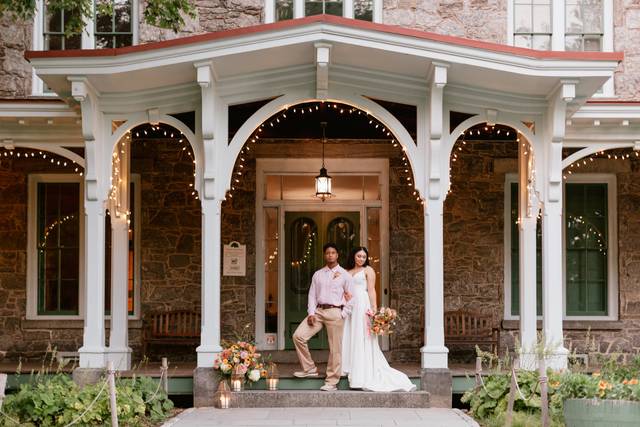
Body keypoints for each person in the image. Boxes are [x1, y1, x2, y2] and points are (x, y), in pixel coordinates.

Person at [341, 246, 416, 392]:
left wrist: (374, 308)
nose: (361, 259)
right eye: (358, 256)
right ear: (353, 256)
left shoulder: (368, 270)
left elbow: (371, 289)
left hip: (362, 303)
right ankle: (349, 366)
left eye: (363, 256)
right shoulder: (347, 271)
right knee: (350, 333)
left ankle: (362, 371)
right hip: (350, 305)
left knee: (362, 334)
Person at [292, 243, 354, 391]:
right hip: (319, 312)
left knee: (335, 349)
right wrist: (311, 313)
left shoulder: (345, 274)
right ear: (324, 255)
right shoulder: (318, 274)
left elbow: (352, 298)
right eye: (327, 253)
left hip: (335, 312)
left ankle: (332, 382)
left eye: (333, 252)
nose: (330, 255)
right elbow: (312, 295)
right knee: (298, 336)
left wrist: (343, 313)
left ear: (337, 255)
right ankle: (309, 368)